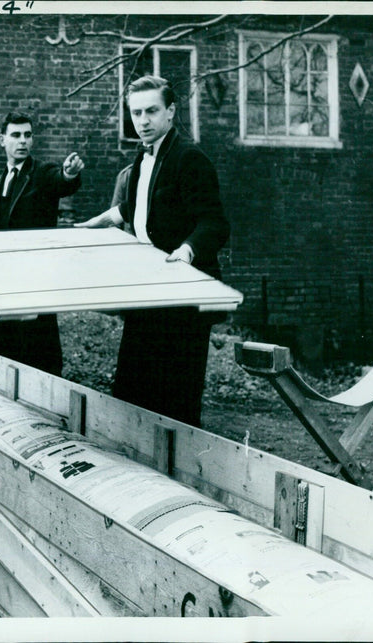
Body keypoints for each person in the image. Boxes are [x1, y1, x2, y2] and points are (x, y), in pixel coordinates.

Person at [77, 75, 230, 426]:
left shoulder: (190, 158)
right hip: (146, 292)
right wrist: (101, 220)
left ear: (171, 111)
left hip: (182, 298)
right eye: (136, 113)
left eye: (151, 111)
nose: (143, 121)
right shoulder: (141, 158)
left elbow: (215, 223)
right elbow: (136, 207)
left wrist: (187, 251)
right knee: (134, 391)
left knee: (174, 402)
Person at [0, 111, 85, 377]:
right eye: (15, 135)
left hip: (36, 278)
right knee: (5, 348)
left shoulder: (42, 173)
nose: (22, 141)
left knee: (38, 350)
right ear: (2, 140)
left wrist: (69, 174)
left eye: (27, 135)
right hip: (3, 278)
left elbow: (61, 181)